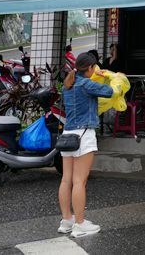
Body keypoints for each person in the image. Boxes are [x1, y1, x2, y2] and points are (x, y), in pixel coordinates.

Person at [58, 51, 116, 238]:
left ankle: (67, 220)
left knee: (66, 180)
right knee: (79, 181)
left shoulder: (68, 84)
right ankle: (80, 224)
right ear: (90, 68)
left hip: (68, 135)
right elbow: (110, 92)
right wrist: (108, 76)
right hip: (84, 135)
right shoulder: (87, 84)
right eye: (94, 67)